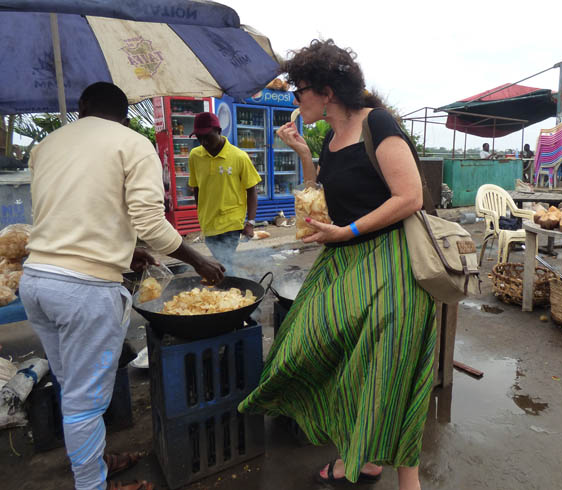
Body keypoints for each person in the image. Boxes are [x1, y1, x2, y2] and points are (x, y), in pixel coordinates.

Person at [238, 39, 436, 490]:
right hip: (343, 265)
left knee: (388, 371)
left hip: (391, 267)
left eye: (298, 90)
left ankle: (401, 475)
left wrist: (347, 233)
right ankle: (361, 457)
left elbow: (411, 197)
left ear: (326, 91)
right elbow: (323, 198)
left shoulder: (378, 124)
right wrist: (304, 156)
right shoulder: (329, 137)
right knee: (323, 354)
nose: (294, 100)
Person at [19, 82, 225, 490]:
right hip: (83, 292)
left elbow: (71, 212)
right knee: (84, 403)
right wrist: (198, 259)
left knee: (72, 388)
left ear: (81, 107)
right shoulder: (133, 143)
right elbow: (150, 223)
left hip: (38, 280)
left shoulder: (46, 145)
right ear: (127, 114)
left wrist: (124, 250)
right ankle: (92, 484)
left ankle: (92, 464)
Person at [187, 112, 261, 273]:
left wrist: (251, 222)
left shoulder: (239, 157)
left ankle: (231, 290)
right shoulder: (195, 155)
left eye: (207, 136)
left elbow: (252, 190)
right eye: (199, 138)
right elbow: (196, 187)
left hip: (231, 221)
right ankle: (231, 289)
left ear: (219, 131)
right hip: (208, 222)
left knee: (225, 261)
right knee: (222, 262)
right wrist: (200, 214)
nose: (204, 142)